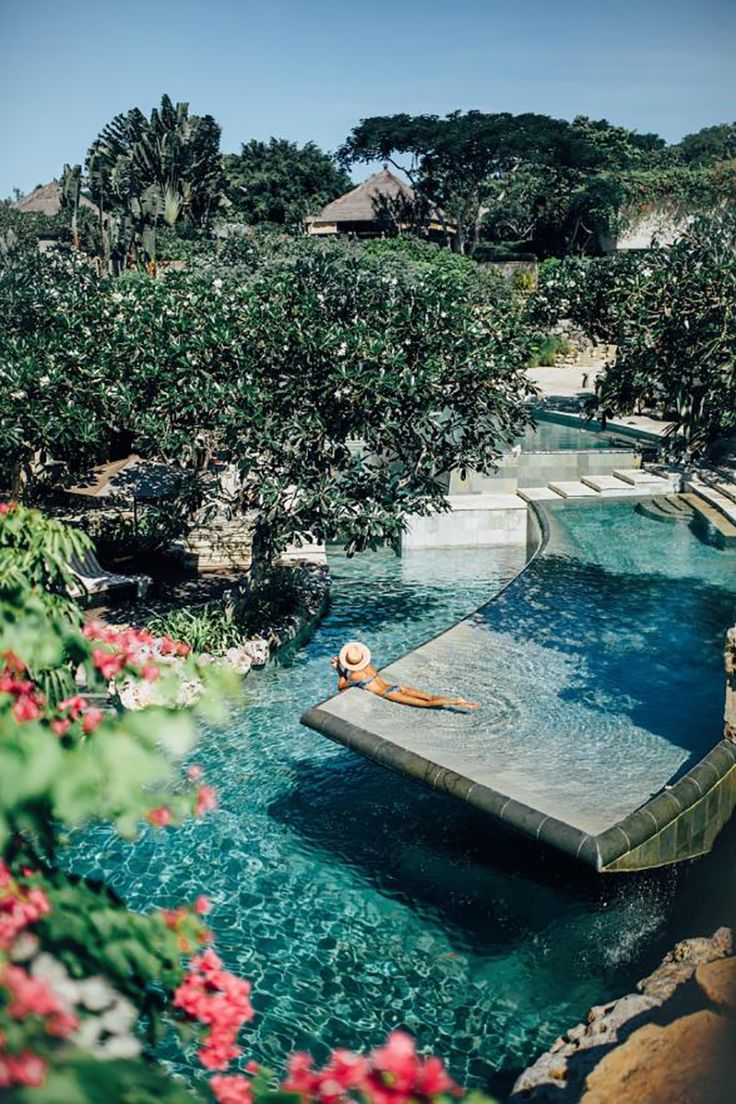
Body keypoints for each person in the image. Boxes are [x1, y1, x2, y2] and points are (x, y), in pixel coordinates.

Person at [331, 641, 478, 710]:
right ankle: (459, 701)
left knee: (426, 704)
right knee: (429, 697)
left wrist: (338, 669)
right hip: (395, 687)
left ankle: (456, 702)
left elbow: (341, 687)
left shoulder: (355, 675)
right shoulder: (369, 665)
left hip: (389, 694)